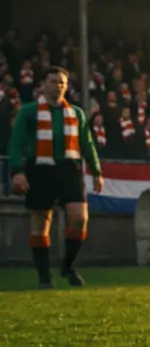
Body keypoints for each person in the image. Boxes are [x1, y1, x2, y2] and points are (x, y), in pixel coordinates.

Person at [7, 67, 104, 288]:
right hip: (40, 168)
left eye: (62, 82)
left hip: (70, 168)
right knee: (41, 220)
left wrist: (96, 170)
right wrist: (18, 172)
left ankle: (67, 266)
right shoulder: (29, 112)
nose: (58, 86)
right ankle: (44, 277)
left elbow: (87, 144)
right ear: (42, 85)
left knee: (79, 217)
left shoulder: (77, 113)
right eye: (53, 81)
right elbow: (16, 144)